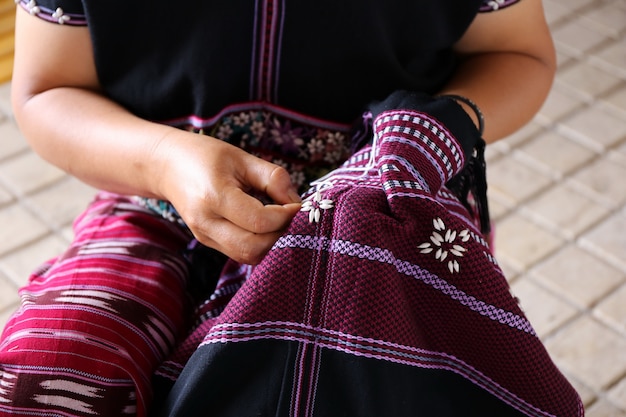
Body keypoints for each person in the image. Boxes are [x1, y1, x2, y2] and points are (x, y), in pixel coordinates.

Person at [0, 0, 583, 415]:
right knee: (48, 378)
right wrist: (161, 159)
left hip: (387, 208)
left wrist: (417, 137)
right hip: (153, 204)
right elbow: (47, 88)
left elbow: (518, 53)